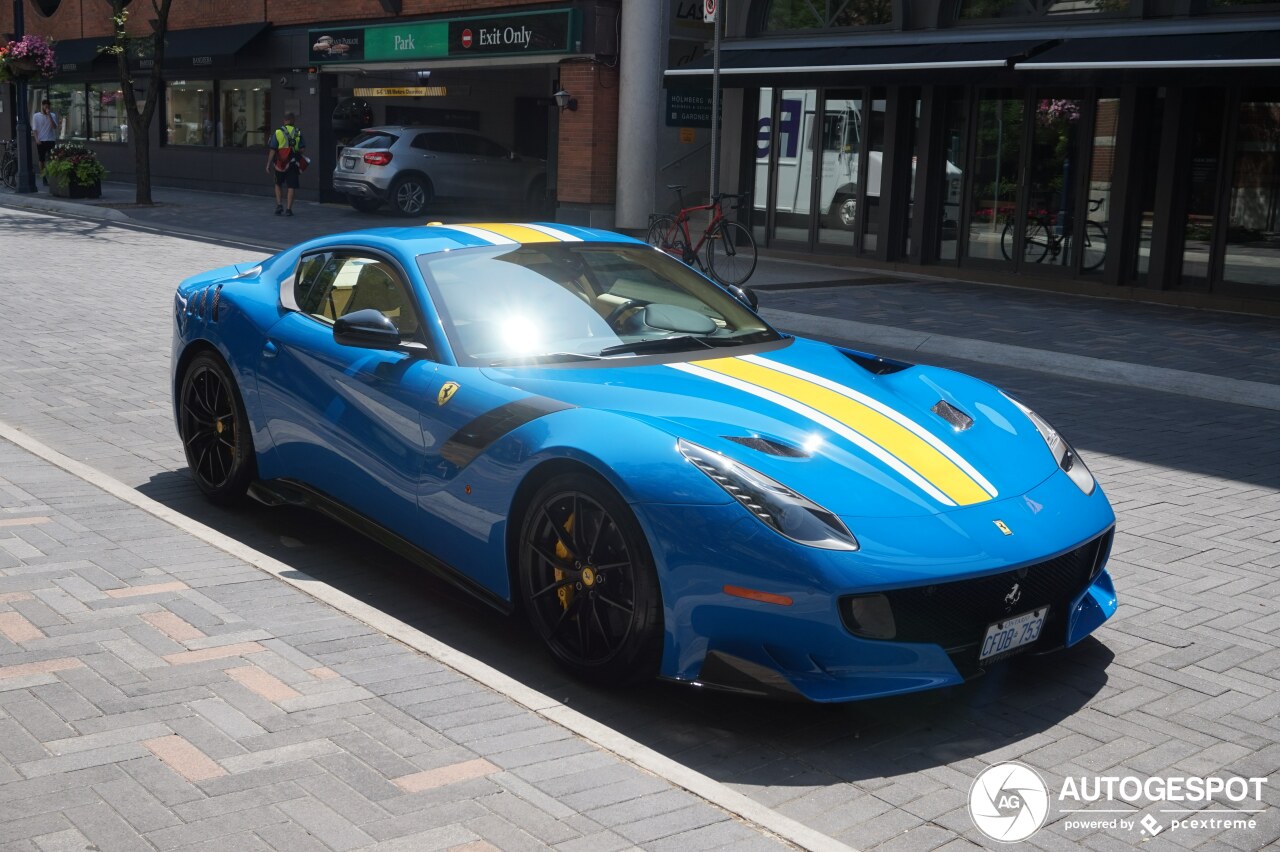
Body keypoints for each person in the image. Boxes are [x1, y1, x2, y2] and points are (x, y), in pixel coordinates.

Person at [266, 112, 305, 216]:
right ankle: (288, 209)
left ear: (285, 121)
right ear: (293, 121)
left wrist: (268, 163)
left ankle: (279, 205)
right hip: (292, 163)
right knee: (291, 186)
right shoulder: (298, 132)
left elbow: (273, 149)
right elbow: (302, 149)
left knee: (278, 184)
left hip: (279, 163)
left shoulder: (278, 132)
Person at [31, 99, 59, 187]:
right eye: (45, 106)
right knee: (41, 160)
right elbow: (34, 129)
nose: (46, 108)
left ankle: (52, 176)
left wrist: (49, 115)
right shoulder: (36, 116)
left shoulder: (52, 115)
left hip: (50, 140)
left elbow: (54, 127)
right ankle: (43, 177)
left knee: (52, 159)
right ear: (42, 106)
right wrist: (36, 139)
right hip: (41, 141)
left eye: (48, 106)